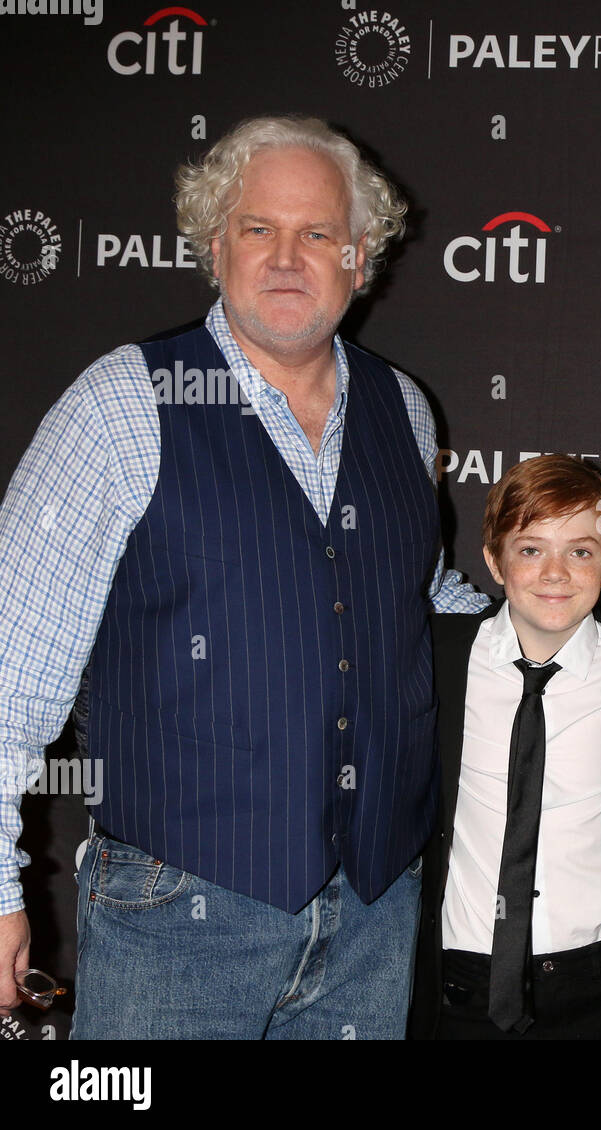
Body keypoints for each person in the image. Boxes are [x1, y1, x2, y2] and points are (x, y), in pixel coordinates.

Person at [0, 114, 487, 1038]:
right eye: (258, 228)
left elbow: (414, 597)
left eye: (317, 234)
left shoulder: (405, 410)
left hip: (374, 920)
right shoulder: (121, 403)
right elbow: (9, 673)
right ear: (214, 244)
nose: (286, 256)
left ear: (361, 256)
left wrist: (554, 628)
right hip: (174, 920)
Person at [408, 455, 601, 1040]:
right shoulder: (434, 657)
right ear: (493, 560)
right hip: (460, 984)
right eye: (531, 549)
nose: (555, 572)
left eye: (580, 551)